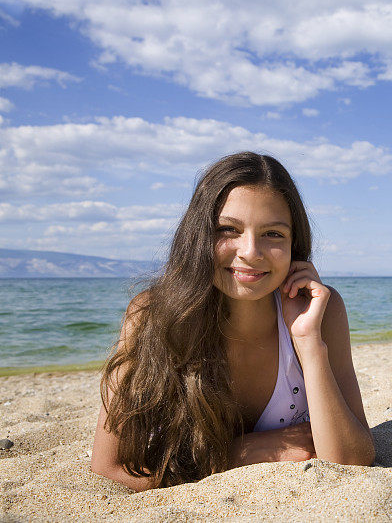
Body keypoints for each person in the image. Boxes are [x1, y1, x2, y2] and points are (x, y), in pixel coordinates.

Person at [90, 152, 375, 491]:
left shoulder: (320, 311)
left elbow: (351, 462)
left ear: (294, 246)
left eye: (273, 233)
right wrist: (238, 453)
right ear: (199, 237)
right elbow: (109, 467)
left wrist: (308, 342)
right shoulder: (151, 315)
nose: (251, 251)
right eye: (228, 229)